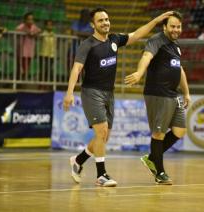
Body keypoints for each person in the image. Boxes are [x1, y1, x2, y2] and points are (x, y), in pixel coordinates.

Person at [63, 7, 173, 187]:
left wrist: (156, 21)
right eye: (101, 20)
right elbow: (76, 68)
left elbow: (137, 34)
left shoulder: (114, 39)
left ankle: (78, 160)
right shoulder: (87, 44)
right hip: (92, 92)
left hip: (109, 93)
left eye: (107, 19)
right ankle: (101, 175)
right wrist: (69, 93)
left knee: (104, 137)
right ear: (93, 25)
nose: (105, 23)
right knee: (101, 132)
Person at [125, 12, 190, 185]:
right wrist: (139, 72)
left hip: (173, 94)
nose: (176, 29)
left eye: (178, 26)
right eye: (172, 26)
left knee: (180, 131)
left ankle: (152, 157)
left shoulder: (175, 45)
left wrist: (187, 92)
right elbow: (146, 56)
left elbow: (180, 70)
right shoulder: (156, 40)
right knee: (159, 133)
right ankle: (159, 172)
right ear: (164, 27)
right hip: (158, 93)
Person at [16, 12, 41, 78]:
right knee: (22, 65)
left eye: (32, 19)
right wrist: (26, 32)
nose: (30, 21)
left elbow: (39, 30)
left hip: (30, 50)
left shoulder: (33, 26)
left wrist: (35, 33)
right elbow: (17, 30)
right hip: (22, 49)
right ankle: (21, 78)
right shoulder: (23, 26)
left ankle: (24, 77)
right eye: (28, 19)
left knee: (27, 65)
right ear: (25, 20)